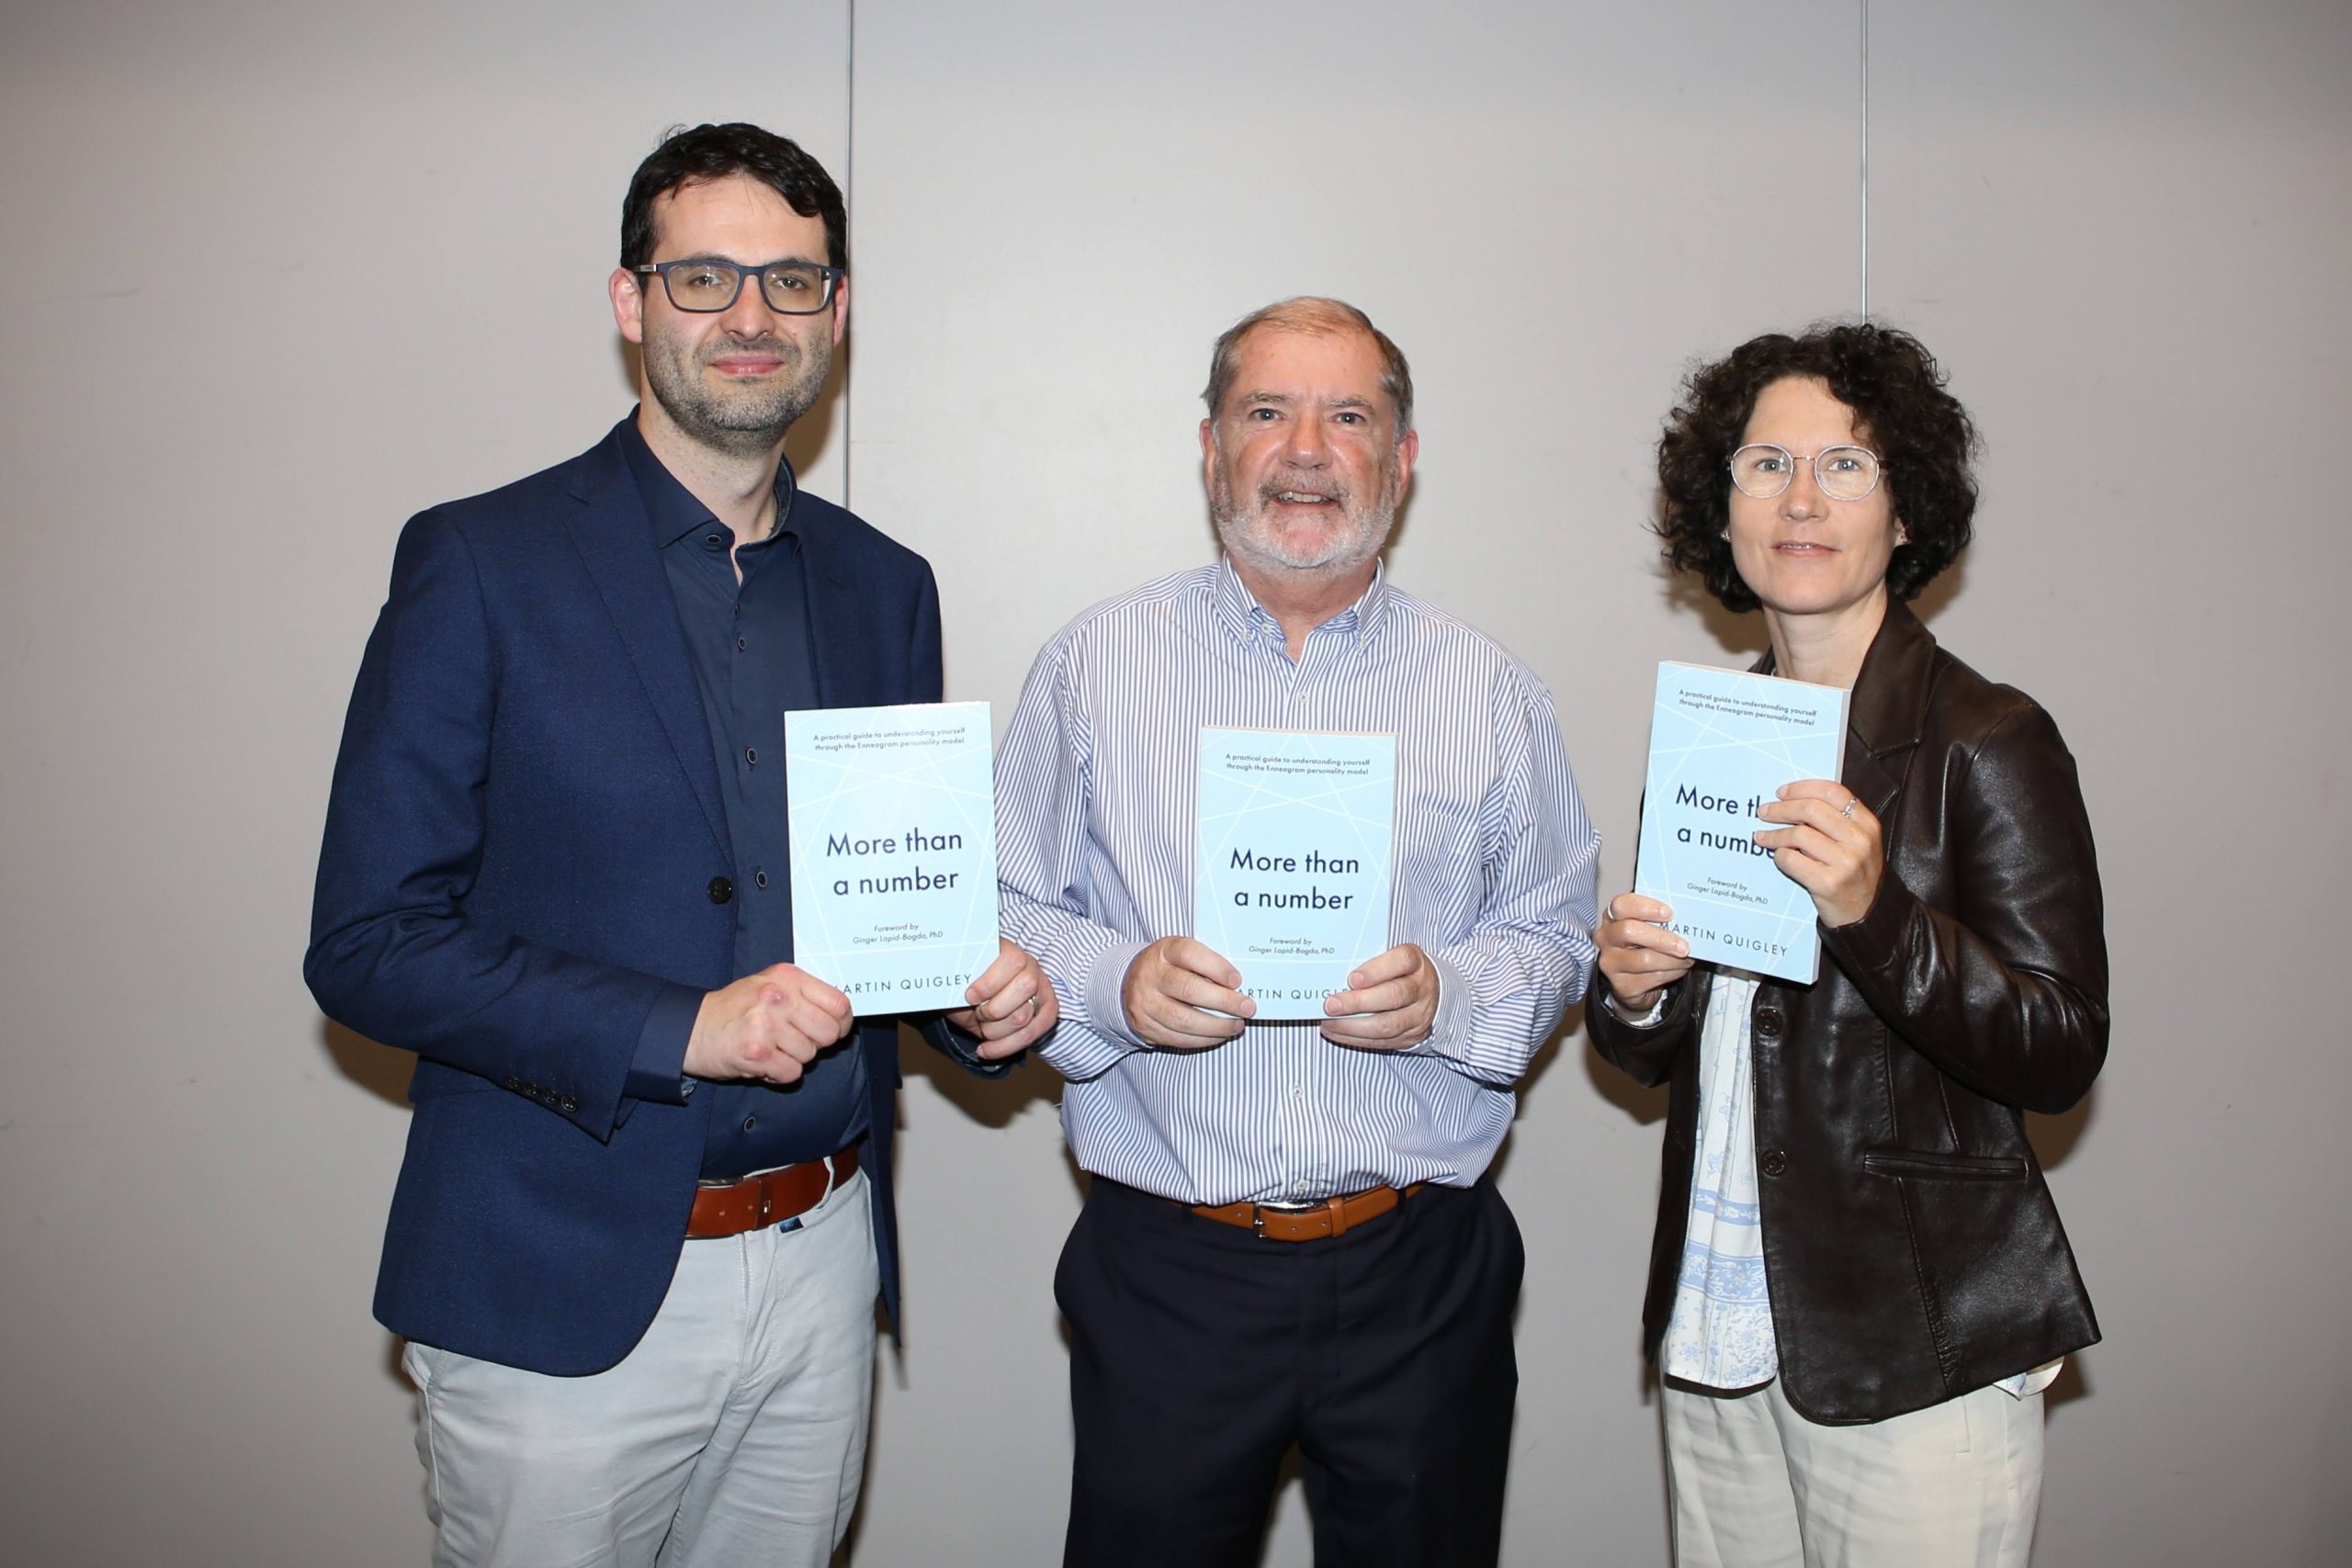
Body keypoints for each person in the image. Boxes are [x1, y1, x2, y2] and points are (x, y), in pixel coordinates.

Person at [303, 122, 1057, 1568]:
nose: (752, 318)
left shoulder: (885, 585)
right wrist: (682, 1029)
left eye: (792, 281)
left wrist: (976, 1000)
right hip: (557, 1288)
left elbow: (892, 905)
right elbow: (368, 944)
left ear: (837, 313)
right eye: (705, 277)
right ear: (628, 300)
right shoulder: (480, 561)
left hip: (825, 1267)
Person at [996, 297, 1600, 1568]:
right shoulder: (1093, 666)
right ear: (1211, 444)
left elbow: (1557, 932)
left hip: (1419, 1270)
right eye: (1268, 411)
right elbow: (993, 903)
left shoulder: (1487, 690)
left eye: (1349, 415)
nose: (1307, 449)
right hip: (1170, 1269)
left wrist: (1453, 993)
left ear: (1405, 455)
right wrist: (1115, 979)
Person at [1587, 322, 2107, 1567]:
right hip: (1720, 1323)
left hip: (1911, 1330)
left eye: (1846, 467)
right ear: (1721, 511)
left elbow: (2060, 1046)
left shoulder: (1989, 737)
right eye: (1765, 465)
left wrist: (1876, 914)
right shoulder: (1717, 739)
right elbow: (1672, 1048)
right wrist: (1633, 994)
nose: (1801, 501)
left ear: (1906, 510)